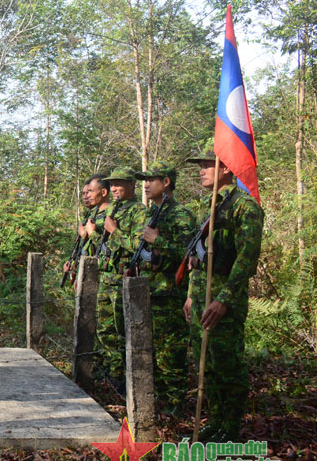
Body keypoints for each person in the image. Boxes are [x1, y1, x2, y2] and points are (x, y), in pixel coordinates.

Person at [183, 148, 264, 442]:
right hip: (204, 296)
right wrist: (192, 294)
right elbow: (200, 258)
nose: (202, 170)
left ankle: (230, 427)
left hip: (224, 302)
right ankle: (215, 421)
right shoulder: (212, 206)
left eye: (208, 165)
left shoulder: (245, 207)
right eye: (201, 165)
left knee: (227, 363)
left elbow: (246, 259)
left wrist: (224, 300)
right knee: (207, 365)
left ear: (227, 169)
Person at [132, 161, 196, 413]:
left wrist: (158, 239)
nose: (145, 184)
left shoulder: (180, 215)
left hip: (170, 294)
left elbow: (189, 254)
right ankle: (160, 404)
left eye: (151, 179)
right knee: (152, 353)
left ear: (166, 182)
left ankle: (177, 407)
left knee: (171, 355)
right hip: (149, 292)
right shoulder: (152, 214)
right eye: (144, 180)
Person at [97, 167, 149, 392]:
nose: (115, 188)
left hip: (123, 278)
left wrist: (114, 231)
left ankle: (122, 380)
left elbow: (140, 246)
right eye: (112, 184)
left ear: (131, 185)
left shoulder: (139, 211)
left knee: (121, 331)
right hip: (106, 277)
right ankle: (110, 373)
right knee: (104, 330)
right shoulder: (113, 209)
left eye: (119, 183)